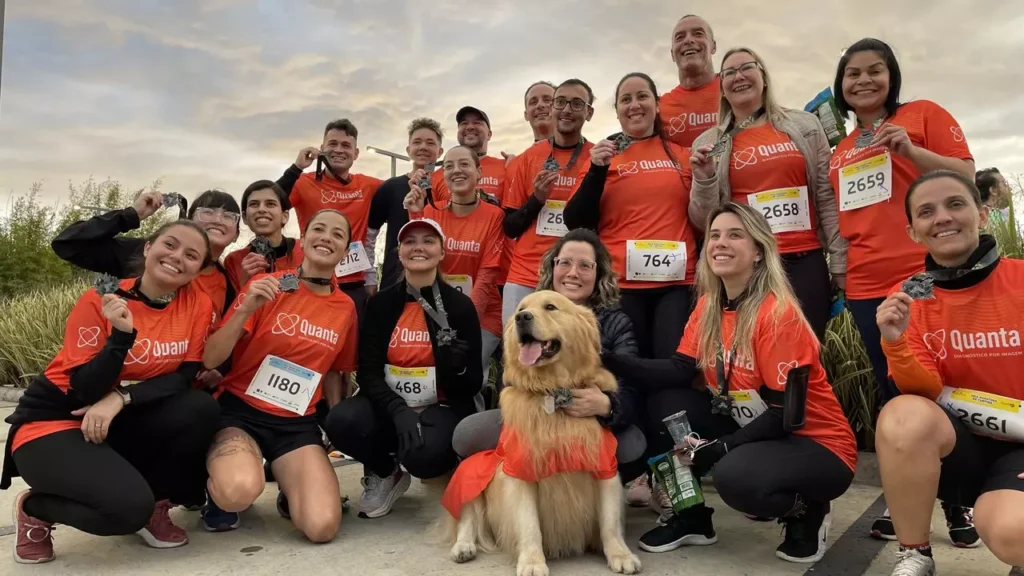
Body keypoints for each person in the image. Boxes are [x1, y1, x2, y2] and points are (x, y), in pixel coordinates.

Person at [603, 202, 857, 564]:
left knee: (734, 477)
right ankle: (691, 517)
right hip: (752, 422)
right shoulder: (709, 305)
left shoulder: (778, 313)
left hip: (815, 442)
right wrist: (610, 359)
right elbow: (679, 369)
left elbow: (785, 413)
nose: (720, 243)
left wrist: (722, 448)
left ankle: (806, 509)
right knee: (665, 406)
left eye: (735, 235)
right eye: (715, 235)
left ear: (758, 251)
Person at [827, 37, 976, 542]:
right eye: (852, 73)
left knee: (943, 387)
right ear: (841, 86)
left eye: (875, 70)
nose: (864, 80)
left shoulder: (923, 114)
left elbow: (966, 176)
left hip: (925, 274)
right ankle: (905, 499)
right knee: (893, 390)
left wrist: (910, 150)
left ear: (891, 76)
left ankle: (957, 501)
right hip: (866, 283)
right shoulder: (841, 151)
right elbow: (846, 218)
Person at [4, 221, 221, 563]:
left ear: (198, 269)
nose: (177, 256)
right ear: (147, 248)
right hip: (54, 421)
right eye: (170, 244)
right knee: (126, 511)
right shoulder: (101, 300)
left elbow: (184, 376)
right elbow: (85, 386)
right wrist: (120, 337)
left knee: (199, 408)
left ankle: (156, 505)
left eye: (191, 255)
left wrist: (121, 398)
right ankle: (36, 508)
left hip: (113, 417)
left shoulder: (197, 304)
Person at [874, 171, 1024, 576]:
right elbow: (924, 390)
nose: (942, 217)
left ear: (982, 214)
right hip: (959, 448)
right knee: (902, 413)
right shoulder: (909, 294)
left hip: (1018, 448)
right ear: (913, 231)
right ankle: (915, 555)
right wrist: (895, 342)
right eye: (926, 212)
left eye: (955, 204)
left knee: (1014, 532)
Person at [200, 209, 358, 543]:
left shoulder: (345, 307)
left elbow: (334, 370)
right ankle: (213, 486)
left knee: (321, 527)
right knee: (238, 491)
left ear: (345, 251)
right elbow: (211, 357)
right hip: (241, 412)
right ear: (304, 238)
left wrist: (334, 421)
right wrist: (245, 309)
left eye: (337, 235)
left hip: (296, 423)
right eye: (319, 229)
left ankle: (290, 484)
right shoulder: (268, 286)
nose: (326, 238)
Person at [324, 218, 482, 519]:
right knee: (341, 421)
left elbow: (472, 383)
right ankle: (386, 471)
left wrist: (457, 369)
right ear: (399, 252)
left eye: (428, 241)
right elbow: (368, 372)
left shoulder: (460, 306)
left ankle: (445, 464)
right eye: (410, 242)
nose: (418, 247)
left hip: (438, 406)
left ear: (442, 252)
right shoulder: (381, 304)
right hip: (389, 404)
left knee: (425, 455)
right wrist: (398, 409)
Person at [450, 228, 646, 467]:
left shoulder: (615, 322)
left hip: (589, 416)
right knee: (466, 434)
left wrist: (608, 406)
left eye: (585, 265)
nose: (573, 273)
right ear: (553, 268)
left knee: (632, 445)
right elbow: (507, 377)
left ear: (599, 274)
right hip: (533, 413)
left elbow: (631, 387)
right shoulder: (528, 312)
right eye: (565, 263)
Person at [689, 48, 844, 341]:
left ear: (763, 76)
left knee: (806, 351)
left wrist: (839, 260)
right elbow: (702, 220)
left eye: (747, 68)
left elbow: (827, 197)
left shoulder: (804, 126)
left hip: (803, 260)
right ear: (722, 87)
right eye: (729, 73)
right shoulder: (710, 143)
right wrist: (704, 178)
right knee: (752, 352)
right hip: (747, 266)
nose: (739, 77)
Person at [565, 72, 699, 360]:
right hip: (620, 285)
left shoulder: (682, 155)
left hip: (676, 284)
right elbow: (576, 222)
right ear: (617, 111)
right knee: (626, 369)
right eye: (625, 99)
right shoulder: (602, 156)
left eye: (642, 97)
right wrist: (597, 170)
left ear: (657, 104)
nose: (634, 105)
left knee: (671, 365)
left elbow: (702, 215)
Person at [405, 146, 505, 402]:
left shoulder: (494, 215)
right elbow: (419, 258)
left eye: (464, 164)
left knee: (468, 375)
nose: (456, 171)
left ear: (479, 172)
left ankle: (472, 422)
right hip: (435, 311)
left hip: (482, 315)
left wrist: (462, 322)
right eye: (448, 166)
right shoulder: (432, 211)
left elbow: (487, 274)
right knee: (432, 371)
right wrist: (415, 213)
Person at [52, 189, 243, 320]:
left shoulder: (229, 282)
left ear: (236, 235)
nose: (218, 219)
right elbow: (68, 244)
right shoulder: (149, 254)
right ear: (188, 220)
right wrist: (131, 215)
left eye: (229, 216)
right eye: (207, 212)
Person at [502, 79, 596, 326]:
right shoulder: (529, 158)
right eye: (560, 102)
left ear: (589, 113)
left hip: (573, 278)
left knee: (572, 347)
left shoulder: (596, 157)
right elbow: (510, 227)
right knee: (516, 347)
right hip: (526, 275)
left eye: (576, 104)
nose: (567, 110)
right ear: (553, 108)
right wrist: (537, 199)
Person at [284, 118, 384, 319]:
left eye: (346, 145)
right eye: (332, 144)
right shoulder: (302, 182)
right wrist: (296, 168)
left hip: (354, 286)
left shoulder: (368, 185)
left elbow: (403, 191)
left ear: (356, 153)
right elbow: (270, 201)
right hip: (310, 281)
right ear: (321, 149)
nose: (339, 150)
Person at [369, 118, 446, 290]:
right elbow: (370, 235)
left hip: (439, 281)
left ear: (440, 151)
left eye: (430, 143)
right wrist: (369, 277)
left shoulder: (448, 190)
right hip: (394, 281)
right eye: (417, 142)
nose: (423, 147)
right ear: (408, 149)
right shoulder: (390, 187)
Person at [223, 180, 304, 292]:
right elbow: (235, 303)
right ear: (245, 217)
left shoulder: (305, 250)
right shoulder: (234, 260)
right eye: (254, 204)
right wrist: (244, 283)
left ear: (285, 216)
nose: (261, 209)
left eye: (270, 204)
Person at [659, 14, 720, 148]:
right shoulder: (660, 108)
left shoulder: (735, 90)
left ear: (713, 46)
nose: (688, 40)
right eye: (680, 37)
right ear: (672, 54)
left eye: (698, 34)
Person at [431, 107, 508, 206]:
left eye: (477, 122)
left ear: (489, 134)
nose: (470, 127)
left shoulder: (507, 167)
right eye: (464, 123)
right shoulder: (436, 176)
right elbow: (429, 214)